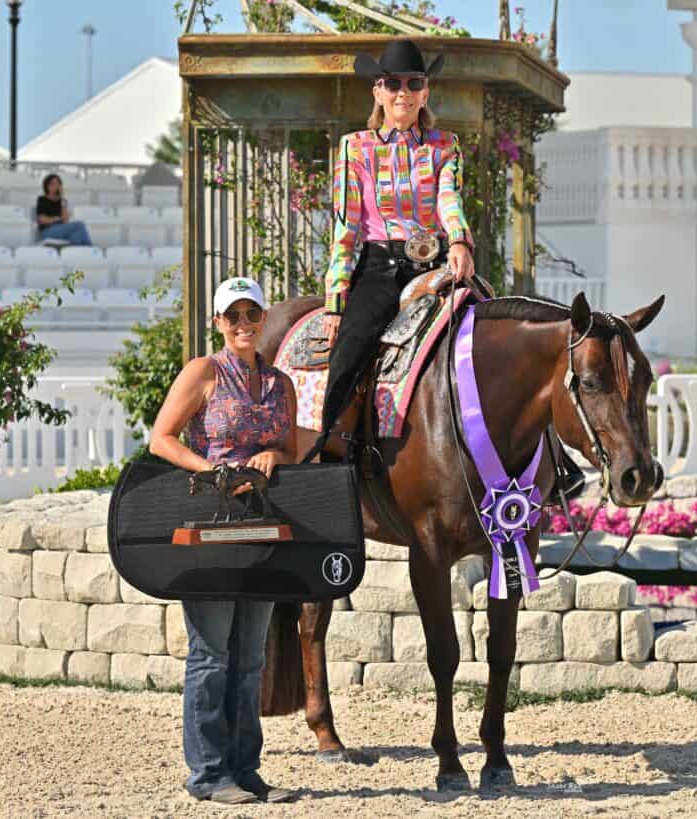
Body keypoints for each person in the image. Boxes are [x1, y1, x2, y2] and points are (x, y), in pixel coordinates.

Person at [149, 276, 300, 806]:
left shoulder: (281, 384)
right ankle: (209, 773)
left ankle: (246, 767)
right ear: (217, 323)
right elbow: (161, 437)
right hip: (210, 520)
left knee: (251, 656)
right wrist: (212, 468)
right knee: (212, 652)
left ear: (262, 320)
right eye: (232, 316)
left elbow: (292, 448)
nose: (242, 324)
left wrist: (275, 458)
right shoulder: (203, 372)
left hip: (263, 526)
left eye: (251, 314)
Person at [305, 39, 475, 461]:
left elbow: (448, 199)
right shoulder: (355, 148)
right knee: (350, 348)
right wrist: (335, 300)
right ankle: (331, 454)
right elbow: (346, 226)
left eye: (413, 82)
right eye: (393, 83)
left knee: (494, 330)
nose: (403, 92)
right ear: (378, 91)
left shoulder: (445, 146)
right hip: (379, 266)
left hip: (434, 264)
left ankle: (553, 462)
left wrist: (458, 240)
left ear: (425, 91)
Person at [36, 173, 92, 246]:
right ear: (47, 186)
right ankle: (91, 248)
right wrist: (56, 219)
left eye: (58, 183)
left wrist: (62, 198)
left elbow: (65, 220)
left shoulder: (63, 201)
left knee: (76, 236)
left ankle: (78, 255)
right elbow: (41, 220)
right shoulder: (42, 199)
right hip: (48, 231)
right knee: (80, 225)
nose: (56, 186)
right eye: (53, 183)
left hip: (61, 229)